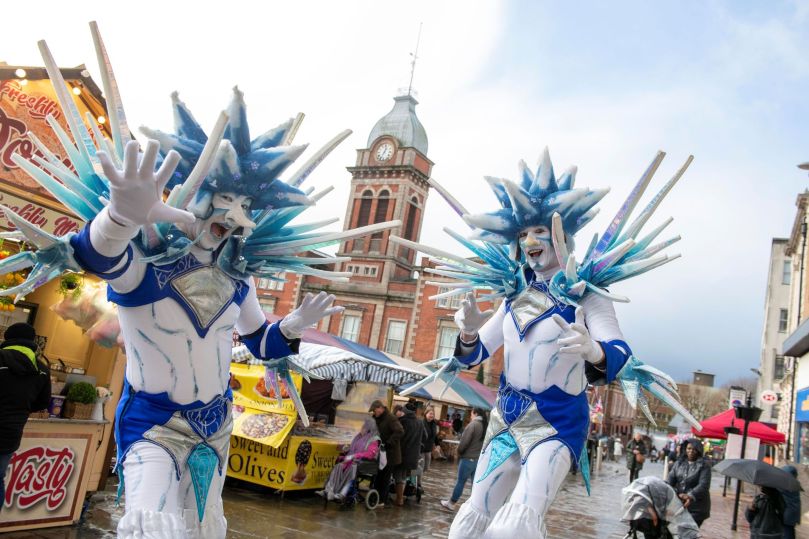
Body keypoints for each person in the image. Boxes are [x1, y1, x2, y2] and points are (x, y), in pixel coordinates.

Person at [0, 323, 51, 512]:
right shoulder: (42, 369)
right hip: (11, 434)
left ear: (7, 338)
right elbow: (42, 402)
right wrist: (22, 409)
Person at [317, 418, 379, 501]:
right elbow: (353, 449)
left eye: (364, 427)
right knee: (338, 467)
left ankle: (342, 493)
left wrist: (354, 456)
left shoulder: (374, 440)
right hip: (352, 461)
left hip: (362, 463)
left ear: (368, 429)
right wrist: (347, 451)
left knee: (351, 470)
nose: (362, 428)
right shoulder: (358, 437)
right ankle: (328, 490)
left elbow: (370, 454)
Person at [441, 408, 487, 511]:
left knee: (461, 482)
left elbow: (464, 442)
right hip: (478, 460)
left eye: (471, 413)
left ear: (475, 413)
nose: (470, 416)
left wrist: (460, 452)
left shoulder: (473, 425)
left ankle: (451, 503)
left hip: (467, 459)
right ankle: (475, 506)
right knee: (475, 485)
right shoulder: (485, 426)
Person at [666, 439, 711, 527]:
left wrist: (690, 495)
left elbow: (704, 485)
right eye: (689, 448)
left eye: (694, 449)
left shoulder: (704, 465)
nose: (691, 451)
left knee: (688, 531)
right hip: (679, 505)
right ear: (685, 449)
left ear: (699, 450)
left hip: (697, 508)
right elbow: (670, 481)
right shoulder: (678, 463)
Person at [370, 400, 403, 508]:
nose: (374, 412)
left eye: (374, 410)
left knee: (385, 477)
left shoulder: (391, 418)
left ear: (380, 408)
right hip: (381, 452)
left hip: (390, 454)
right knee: (378, 476)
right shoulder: (377, 418)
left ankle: (382, 500)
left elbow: (400, 431)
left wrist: (389, 443)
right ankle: (376, 498)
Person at [394, 401, 423, 506]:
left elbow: (398, 438)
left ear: (405, 411)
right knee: (404, 476)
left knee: (398, 475)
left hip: (402, 453)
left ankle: (399, 499)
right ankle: (400, 497)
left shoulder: (402, 421)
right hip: (413, 456)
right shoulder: (420, 422)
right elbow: (424, 437)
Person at [779, 465, 801, 539]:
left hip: (786, 514)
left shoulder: (785, 484)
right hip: (793, 514)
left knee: (787, 532)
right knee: (790, 531)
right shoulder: (796, 483)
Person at [420, 406, 439, 484]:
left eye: (433, 414)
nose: (432, 415)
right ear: (426, 413)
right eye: (430, 414)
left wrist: (437, 444)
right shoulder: (421, 422)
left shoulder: (434, 423)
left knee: (426, 467)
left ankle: (418, 479)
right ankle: (418, 484)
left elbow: (435, 435)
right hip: (421, 448)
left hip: (428, 449)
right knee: (420, 467)